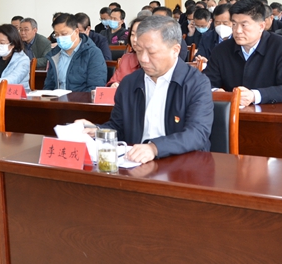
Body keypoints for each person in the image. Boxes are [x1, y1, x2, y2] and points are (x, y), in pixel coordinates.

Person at [77, 16, 213, 163]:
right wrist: (98, 131)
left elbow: (197, 133)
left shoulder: (196, 83)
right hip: (137, 162)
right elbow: (119, 126)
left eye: (151, 52)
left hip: (183, 164)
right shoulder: (129, 83)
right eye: (139, 51)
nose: (143, 59)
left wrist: (155, 148)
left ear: (175, 50)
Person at [204, 0, 282, 106]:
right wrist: (217, 92)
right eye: (234, 24)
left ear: (261, 26)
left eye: (244, 25)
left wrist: (255, 96)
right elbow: (205, 83)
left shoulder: (280, 46)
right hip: (231, 112)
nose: (237, 31)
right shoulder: (222, 50)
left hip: (268, 112)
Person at [43, 13, 107, 92]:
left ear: (76, 31)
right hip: (57, 99)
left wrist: (73, 98)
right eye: (56, 35)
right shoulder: (55, 55)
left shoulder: (93, 54)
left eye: (64, 34)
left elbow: (95, 88)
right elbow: (49, 86)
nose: (60, 38)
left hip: (81, 99)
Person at [108, 17, 143, 86]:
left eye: (139, 35)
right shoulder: (126, 58)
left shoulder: (158, 60)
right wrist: (113, 84)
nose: (134, 39)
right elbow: (114, 81)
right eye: (132, 34)